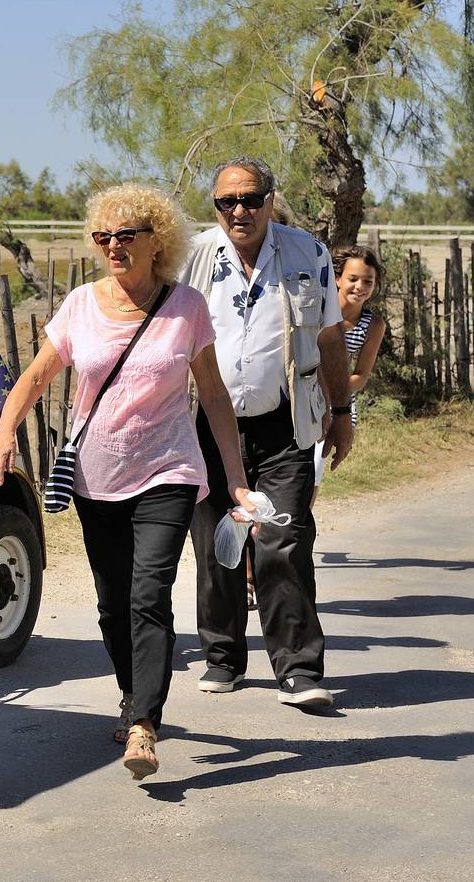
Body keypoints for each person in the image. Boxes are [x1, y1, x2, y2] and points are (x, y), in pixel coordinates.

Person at [0, 183, 253, 781]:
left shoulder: (186, 307)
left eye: (125, 235)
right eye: (102, 236)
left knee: (147, 594)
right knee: (112, 606)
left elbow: (211, 394)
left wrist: (233, 479)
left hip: (168, 470)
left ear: (156, 242)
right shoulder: (81, 304)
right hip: (96, 476)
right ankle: (134, 697)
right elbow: (34, 377)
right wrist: (3, 436)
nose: (112, 246)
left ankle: (143, 725)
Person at [180, 156, 355, 709]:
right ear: (215, 207)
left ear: (270, 201)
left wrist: (342, 412)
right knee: (215, 545)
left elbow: (328, 341)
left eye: (251, 199)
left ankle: (299, 670)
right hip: (208, 426)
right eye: (227, 201)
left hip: (286, 424)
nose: (240, 210)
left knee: (283, 542)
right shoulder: (195, 256)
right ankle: (223, 659)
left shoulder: (309, 254)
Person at [314, 245, 387, 495]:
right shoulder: (316, 312)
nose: (360, 286)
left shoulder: (373, 325)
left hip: (339, 404)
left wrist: (334, 392)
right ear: (337, 279)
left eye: (368, 281)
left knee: (314, 470)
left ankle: (299, 527)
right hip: (304, 396)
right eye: (353, 279)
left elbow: (361, 376)